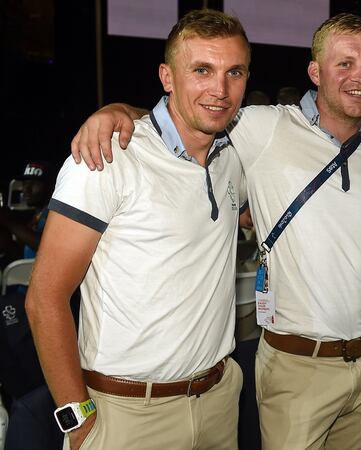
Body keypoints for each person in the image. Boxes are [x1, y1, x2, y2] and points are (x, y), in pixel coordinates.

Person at [70, 13, 361, 449]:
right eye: (345, 63)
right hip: (299, 364)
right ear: (315, 72)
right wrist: (115, 112)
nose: (359, 76)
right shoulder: (261, 127)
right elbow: (187, 117)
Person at [26, 9, 249, 449]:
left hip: (219, 403)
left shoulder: (234, 157)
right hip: (126, 416)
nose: (219, 90)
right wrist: (80, 419)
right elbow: (44, 297)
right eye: (201, 70)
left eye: (234, 72)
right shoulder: (108, 157)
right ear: (167, 76)